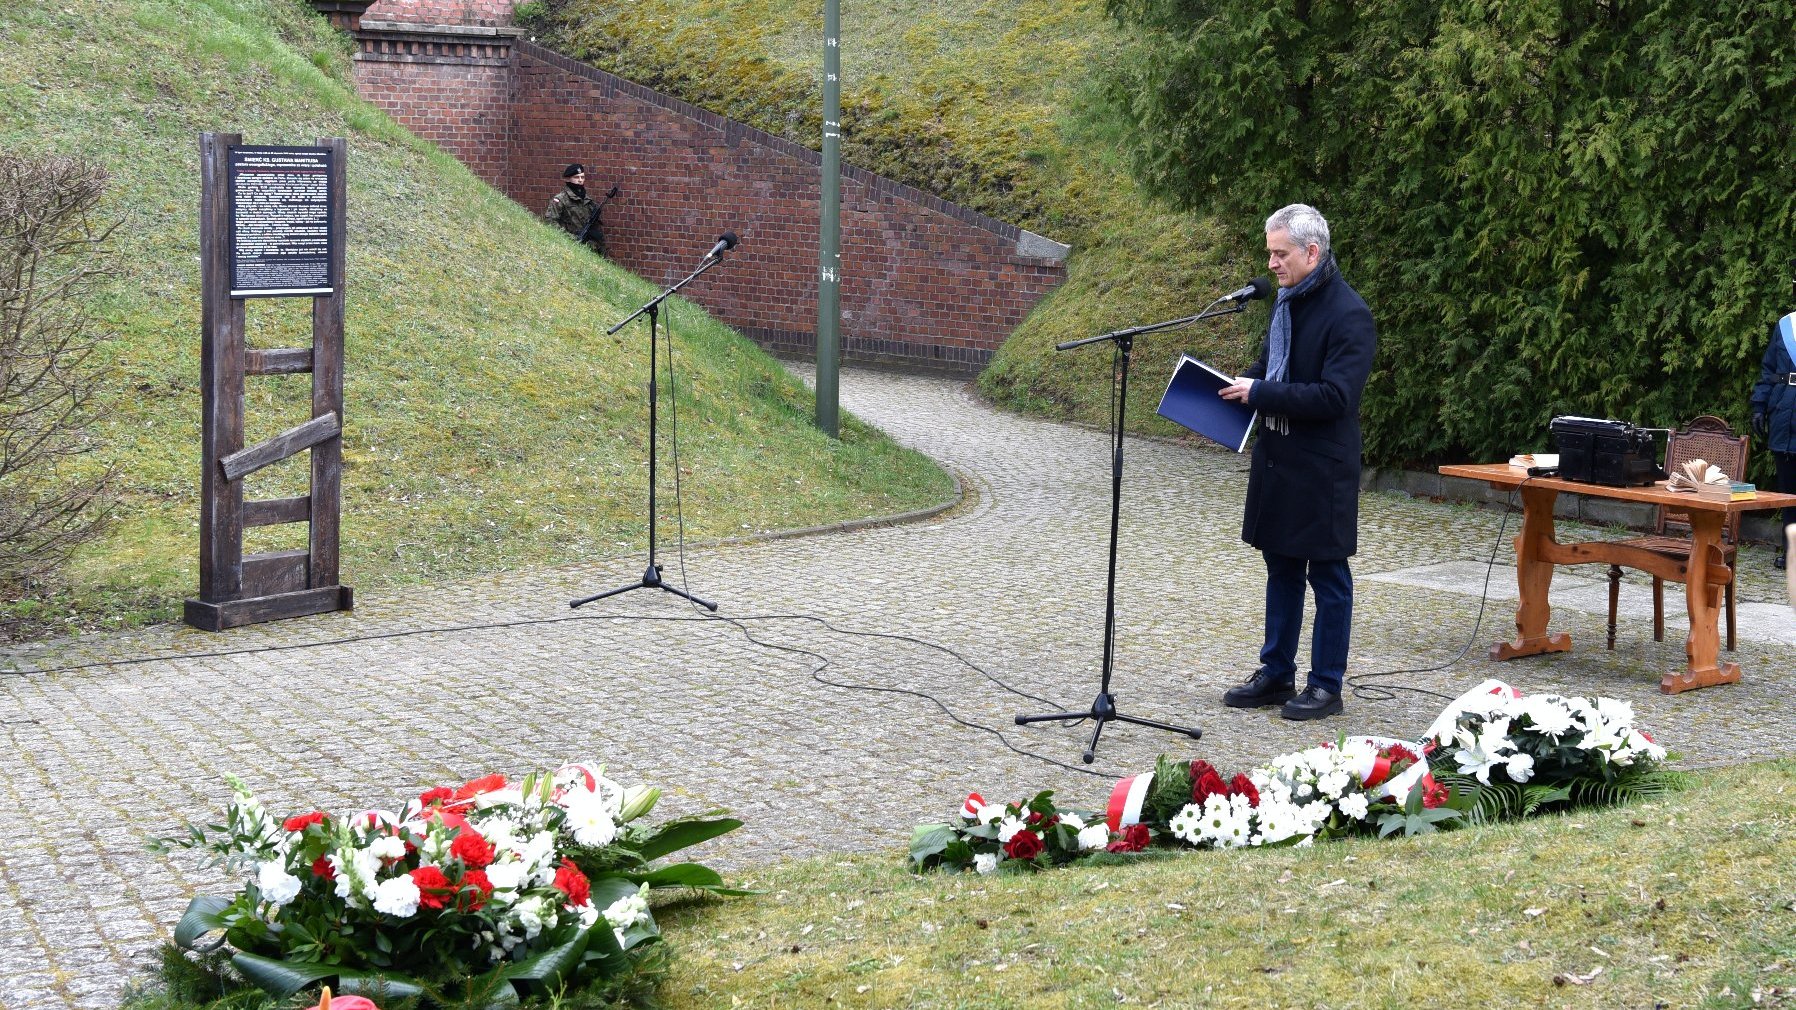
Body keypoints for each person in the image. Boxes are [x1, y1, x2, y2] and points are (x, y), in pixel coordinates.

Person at [1217, 204, 1377, 720]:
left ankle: (1326, 685)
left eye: (1280, 253)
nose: (1272, 263)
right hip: (1278, 458)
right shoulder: (1284, 304)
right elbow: (1270, 367)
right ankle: (1276, 674)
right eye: (1269, 252)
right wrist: (1243, 384)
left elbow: (1336, 397)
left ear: (1312, 252)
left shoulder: (1349, 313)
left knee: (1328, 576)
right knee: (1280, 566)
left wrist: (1262, 390)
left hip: (1322, 468)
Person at [1750, 260, 1796, 569]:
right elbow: (1769, 371)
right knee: (1788, 492)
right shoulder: (1785, 326)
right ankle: (1790, 551)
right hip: (1784, 416)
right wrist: (1759, 406)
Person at [544, 163, 602, 255]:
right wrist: (571, 238)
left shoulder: (587, 199)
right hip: (569, 247)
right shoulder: (560, 199)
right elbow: (550, 222)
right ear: (567, 179)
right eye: (576, 177)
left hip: (589, 248)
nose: (580, 180)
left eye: (582, 177)